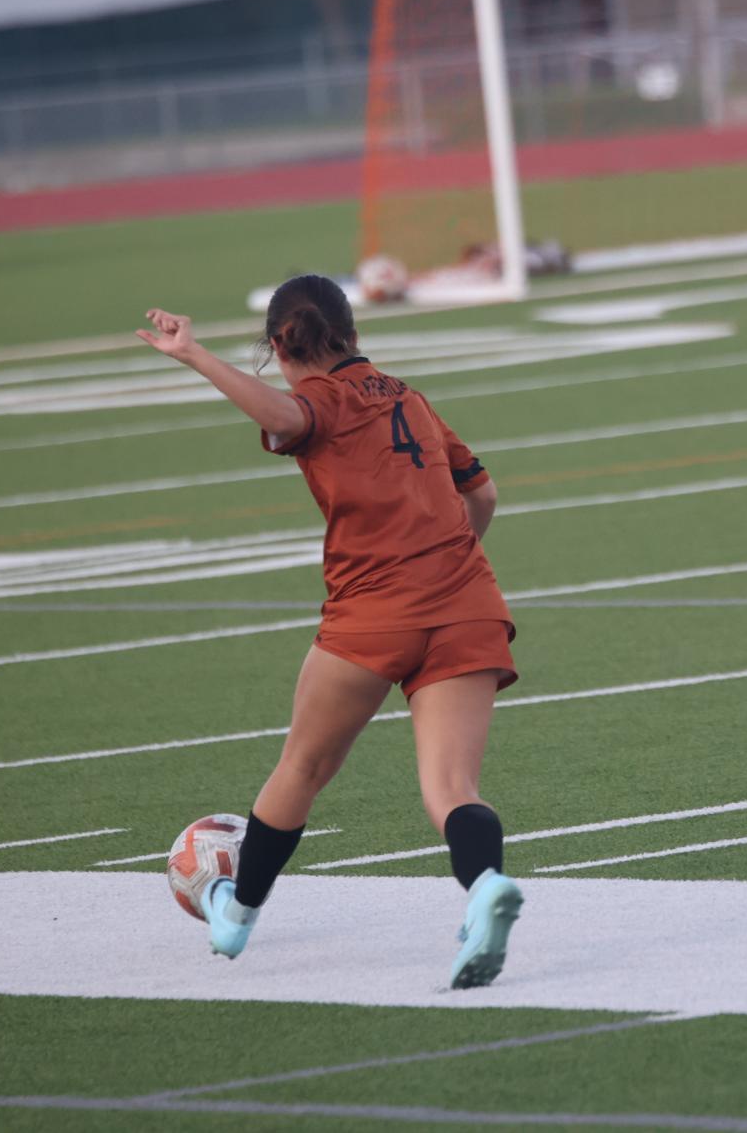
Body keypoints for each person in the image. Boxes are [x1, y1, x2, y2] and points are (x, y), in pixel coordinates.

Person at [136, 275, 523, 986]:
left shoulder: (320, 400)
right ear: (352, 332)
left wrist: (195, 355)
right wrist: (450, 562)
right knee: (451, 787)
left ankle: (237, 916)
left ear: (282, 344)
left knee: (303, 768)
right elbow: (483, 493)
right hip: (467, 600)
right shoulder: (409, 395)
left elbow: (284, 416)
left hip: (373, 612)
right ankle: (485, 888)